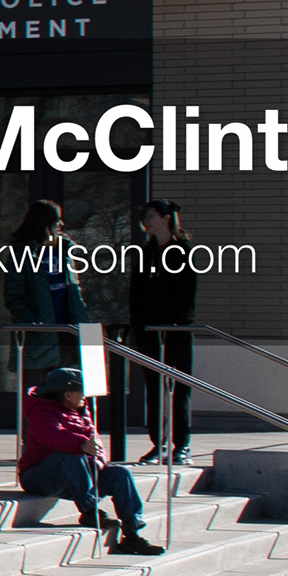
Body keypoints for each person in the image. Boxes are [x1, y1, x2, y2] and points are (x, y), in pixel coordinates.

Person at [21, 364, 163, 553]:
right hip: (39, 476)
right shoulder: (42, 410)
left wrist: (98, 461)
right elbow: (51, 434)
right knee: (70, 455)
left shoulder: (82, 412)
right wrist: (81, 444)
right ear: (67, 395)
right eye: (81, 392)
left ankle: (132, 535)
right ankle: (88, 510)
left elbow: (96, 443)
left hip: (76, 475)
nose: (84, 397)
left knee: (120, 474)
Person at [121, 198, 198, 463]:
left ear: (167, 218)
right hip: (149, 331)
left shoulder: (182, 250)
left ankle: (182, 444)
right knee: (154, 387)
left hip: (175, 330)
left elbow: (186, 293)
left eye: (152, 216)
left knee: (179, 387)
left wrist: (175, 322)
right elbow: (137, 292)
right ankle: (158, 443)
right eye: (145, 217)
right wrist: (138, 321)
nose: (147, 221)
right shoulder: (146, 252)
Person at [0, 195, 86, 384]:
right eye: (56, 220)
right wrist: (35, 324)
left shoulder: (66, 253)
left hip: (68, 335)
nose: (61, 224)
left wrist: (83, 322)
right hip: (38, 339)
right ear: (45, 224)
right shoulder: (21, 254)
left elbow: (74, 293)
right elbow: (13, 297)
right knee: (37, 396)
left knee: (67, 396)